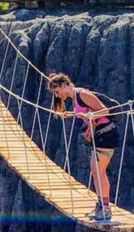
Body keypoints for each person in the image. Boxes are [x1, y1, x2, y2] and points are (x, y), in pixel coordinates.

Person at [47, 73, 119, 222]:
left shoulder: (82, 94)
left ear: (64, 85)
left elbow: (104, 111)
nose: (57, 95)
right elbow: (88, 114)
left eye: (57, 91)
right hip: (98, 135)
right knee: (95, 171)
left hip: (107, 134)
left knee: (99, 171)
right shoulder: (75, 99)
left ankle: (105, 208)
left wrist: (88, 117)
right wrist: (74, 115)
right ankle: (101, 205)